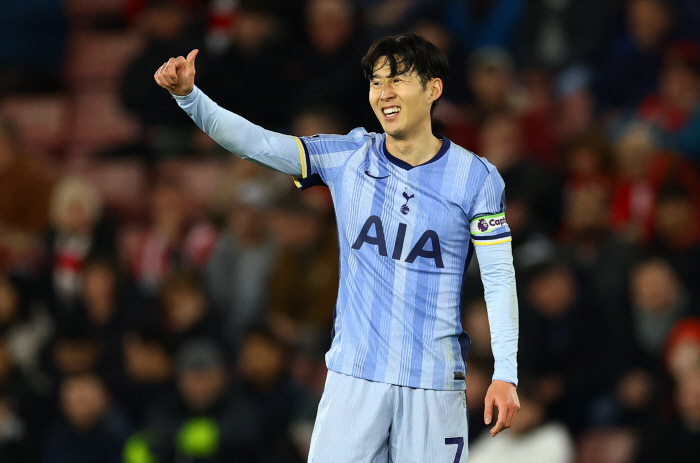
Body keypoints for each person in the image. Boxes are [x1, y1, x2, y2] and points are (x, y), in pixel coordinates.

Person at [154, 33, 520, 462]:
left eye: (398, 79)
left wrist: (505, 372)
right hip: (354, 379)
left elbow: (498, 276)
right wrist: (190, 98)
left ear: (433, 88)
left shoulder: (477, 178)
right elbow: (257, 143)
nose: (384, 93)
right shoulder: (348, 156)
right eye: (376, 82)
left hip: (433, 383)